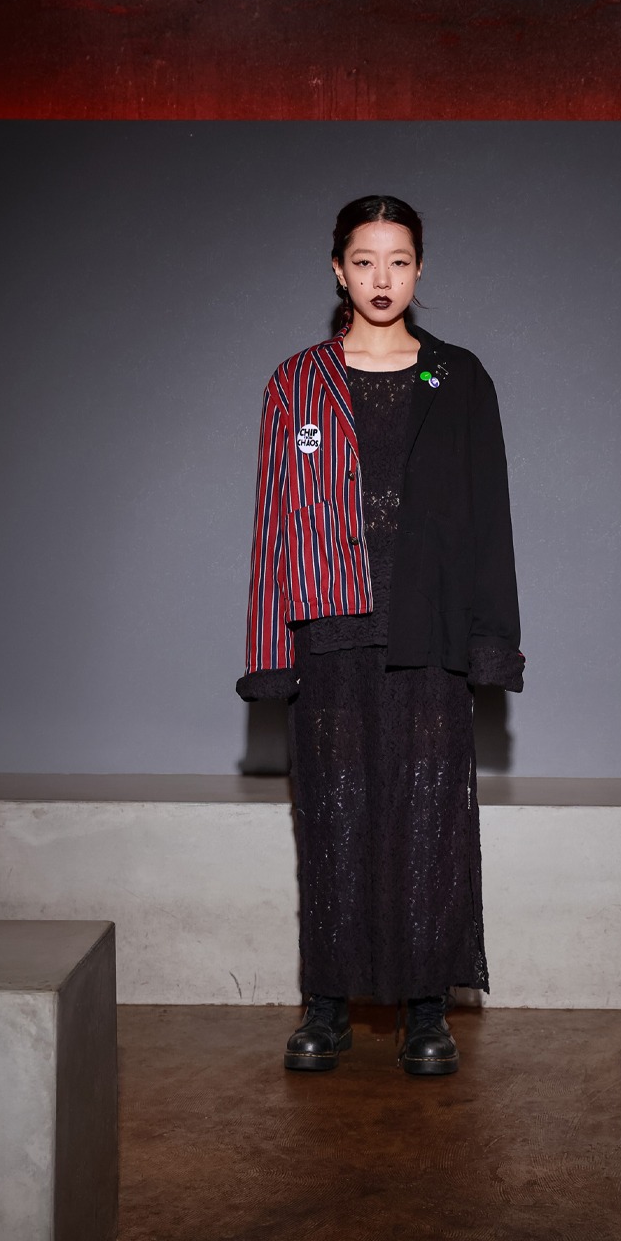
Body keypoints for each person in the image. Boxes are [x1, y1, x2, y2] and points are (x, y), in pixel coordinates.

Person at [236, 194, 524, 1076]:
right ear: (338, 270)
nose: (382, 278)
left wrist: (490, 639)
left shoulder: (458, 377)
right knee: (333, 820)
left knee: (430, 816)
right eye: (364, 261)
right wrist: (269, 654)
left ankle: (426, 1009)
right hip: (331, 630)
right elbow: (274, 526)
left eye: (399, 261)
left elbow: (489, 518)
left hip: (428, 628)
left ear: (420, 269)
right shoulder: (296, 382)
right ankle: (327, 1005)